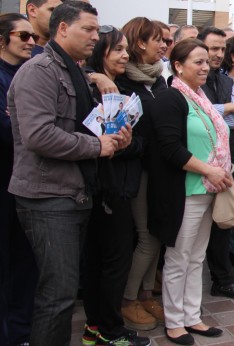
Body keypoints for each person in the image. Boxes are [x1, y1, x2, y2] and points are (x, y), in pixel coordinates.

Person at [7, 2, 123, 344]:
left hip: (75, 193)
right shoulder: (39, 71)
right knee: (57, 296)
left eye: (96, 29)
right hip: (47, 197)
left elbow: (87, 129)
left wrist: (115, 138)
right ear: (62, 29)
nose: (95, 36)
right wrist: (96, 146)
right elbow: (38, 136)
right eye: (87, 29)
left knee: (63, 293)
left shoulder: (76, 72)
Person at [147, 38, 232, 344]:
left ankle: (192, 316)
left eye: (206, 61)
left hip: (210, 189)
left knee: (196, 258)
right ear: (178, 66)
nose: (205, 67)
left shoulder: (201, 97)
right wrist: (210, 169)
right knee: (178, 258)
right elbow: (170, 148)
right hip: (185, 191)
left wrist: (222, 171)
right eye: (198, 62)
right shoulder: (170, 98)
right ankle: (174, 322)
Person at [81, 25, 152, 345]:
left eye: (127, 49)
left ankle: (97, 327)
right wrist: (94, 77)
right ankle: (108, 331)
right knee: (109, 262)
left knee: (107, 261)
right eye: (118, 50)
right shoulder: (89, 86)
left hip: (121, 186)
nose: (126, 55)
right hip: (101, 188)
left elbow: (140, 145)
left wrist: (126, 145)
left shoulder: (125, 88)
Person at [118, 16, 168, 331]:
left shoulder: (158, 80)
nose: (164, 45)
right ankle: (127, 300)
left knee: (159, 236)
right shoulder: (121, 81)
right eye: (158, 40)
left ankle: (147, 293)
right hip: (136, 171)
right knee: (147, 238)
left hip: (162, 168)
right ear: (140, 43)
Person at [197, 26, 234, 300]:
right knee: (193, 238)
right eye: (212, 48)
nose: (217, 54)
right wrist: (225, 109)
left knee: (222, 226)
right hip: (196, 166)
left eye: (221, 49)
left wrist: (225, 111)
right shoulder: (189, 79)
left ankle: (223, 281)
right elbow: (195, 115)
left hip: (224, 164)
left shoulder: (226, 83)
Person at [0, 12, 38, 346]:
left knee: (27, 260)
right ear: (3, 39)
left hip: (27, 181)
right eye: (23, 36)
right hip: (5, 178)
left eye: (33, 37)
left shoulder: (31, 72)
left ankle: (22, 333)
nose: (30, 42)